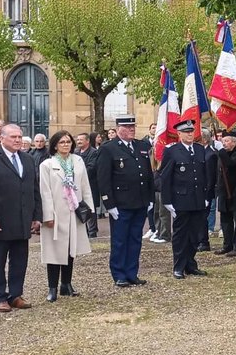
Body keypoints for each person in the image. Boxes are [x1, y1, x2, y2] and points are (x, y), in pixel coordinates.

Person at [0, 123, 42, 312]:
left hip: (23, 220)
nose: (17, 140)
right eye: (13, 137)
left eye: (20, 137)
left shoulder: (27, 159)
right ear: (2, 138)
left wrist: (36, 215)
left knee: (20, 259)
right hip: (0, 221)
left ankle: (15, 294)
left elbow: (33, 189)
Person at [96, 114, 154, 287]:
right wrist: (109, 204)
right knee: (120, 240)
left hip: (140, 201)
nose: (131, 130)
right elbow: (104, 179)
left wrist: (150, 198)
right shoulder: (108, 149)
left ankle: (132, 273)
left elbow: (148, 175)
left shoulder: (141, 146)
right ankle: (119, 274)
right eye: (127, 127)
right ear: (118, 128)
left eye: (133, 127)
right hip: (121, 203)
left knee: (135, 239)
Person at [38, 131, 93, 301]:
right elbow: (44, 192)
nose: (66, 145)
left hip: (74, 211)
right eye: (62, 142)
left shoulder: (77, 161)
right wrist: (48, 215)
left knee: (71, 248)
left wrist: (88, 209)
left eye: (68, 141)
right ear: (55, 145)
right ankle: (52, 287)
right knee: (54, 251)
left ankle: (66, 284)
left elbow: (85, 186)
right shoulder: (47, 164)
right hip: (56, 212)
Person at [160, 120, 213, 279]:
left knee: (196, 234)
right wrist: (167, 200)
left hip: (198, 199)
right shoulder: (172, 151)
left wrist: (206, 196)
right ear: (179, 134)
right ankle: (179, 266)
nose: (190, 134)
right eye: (186, 132)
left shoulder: (199, 149)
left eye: (191, 131)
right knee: (181, 235)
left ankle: (191, 264)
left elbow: (205, 175)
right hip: (181, 199)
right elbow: (166, 177)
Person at [213, 131, 236, 256]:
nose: (224, 144)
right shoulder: (222, 154)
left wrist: (221, 151)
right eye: (223, 142)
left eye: (227, 141)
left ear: (234, 142)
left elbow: (231, 164)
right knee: (225, 220)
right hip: (223, 191)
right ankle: (227, 245)